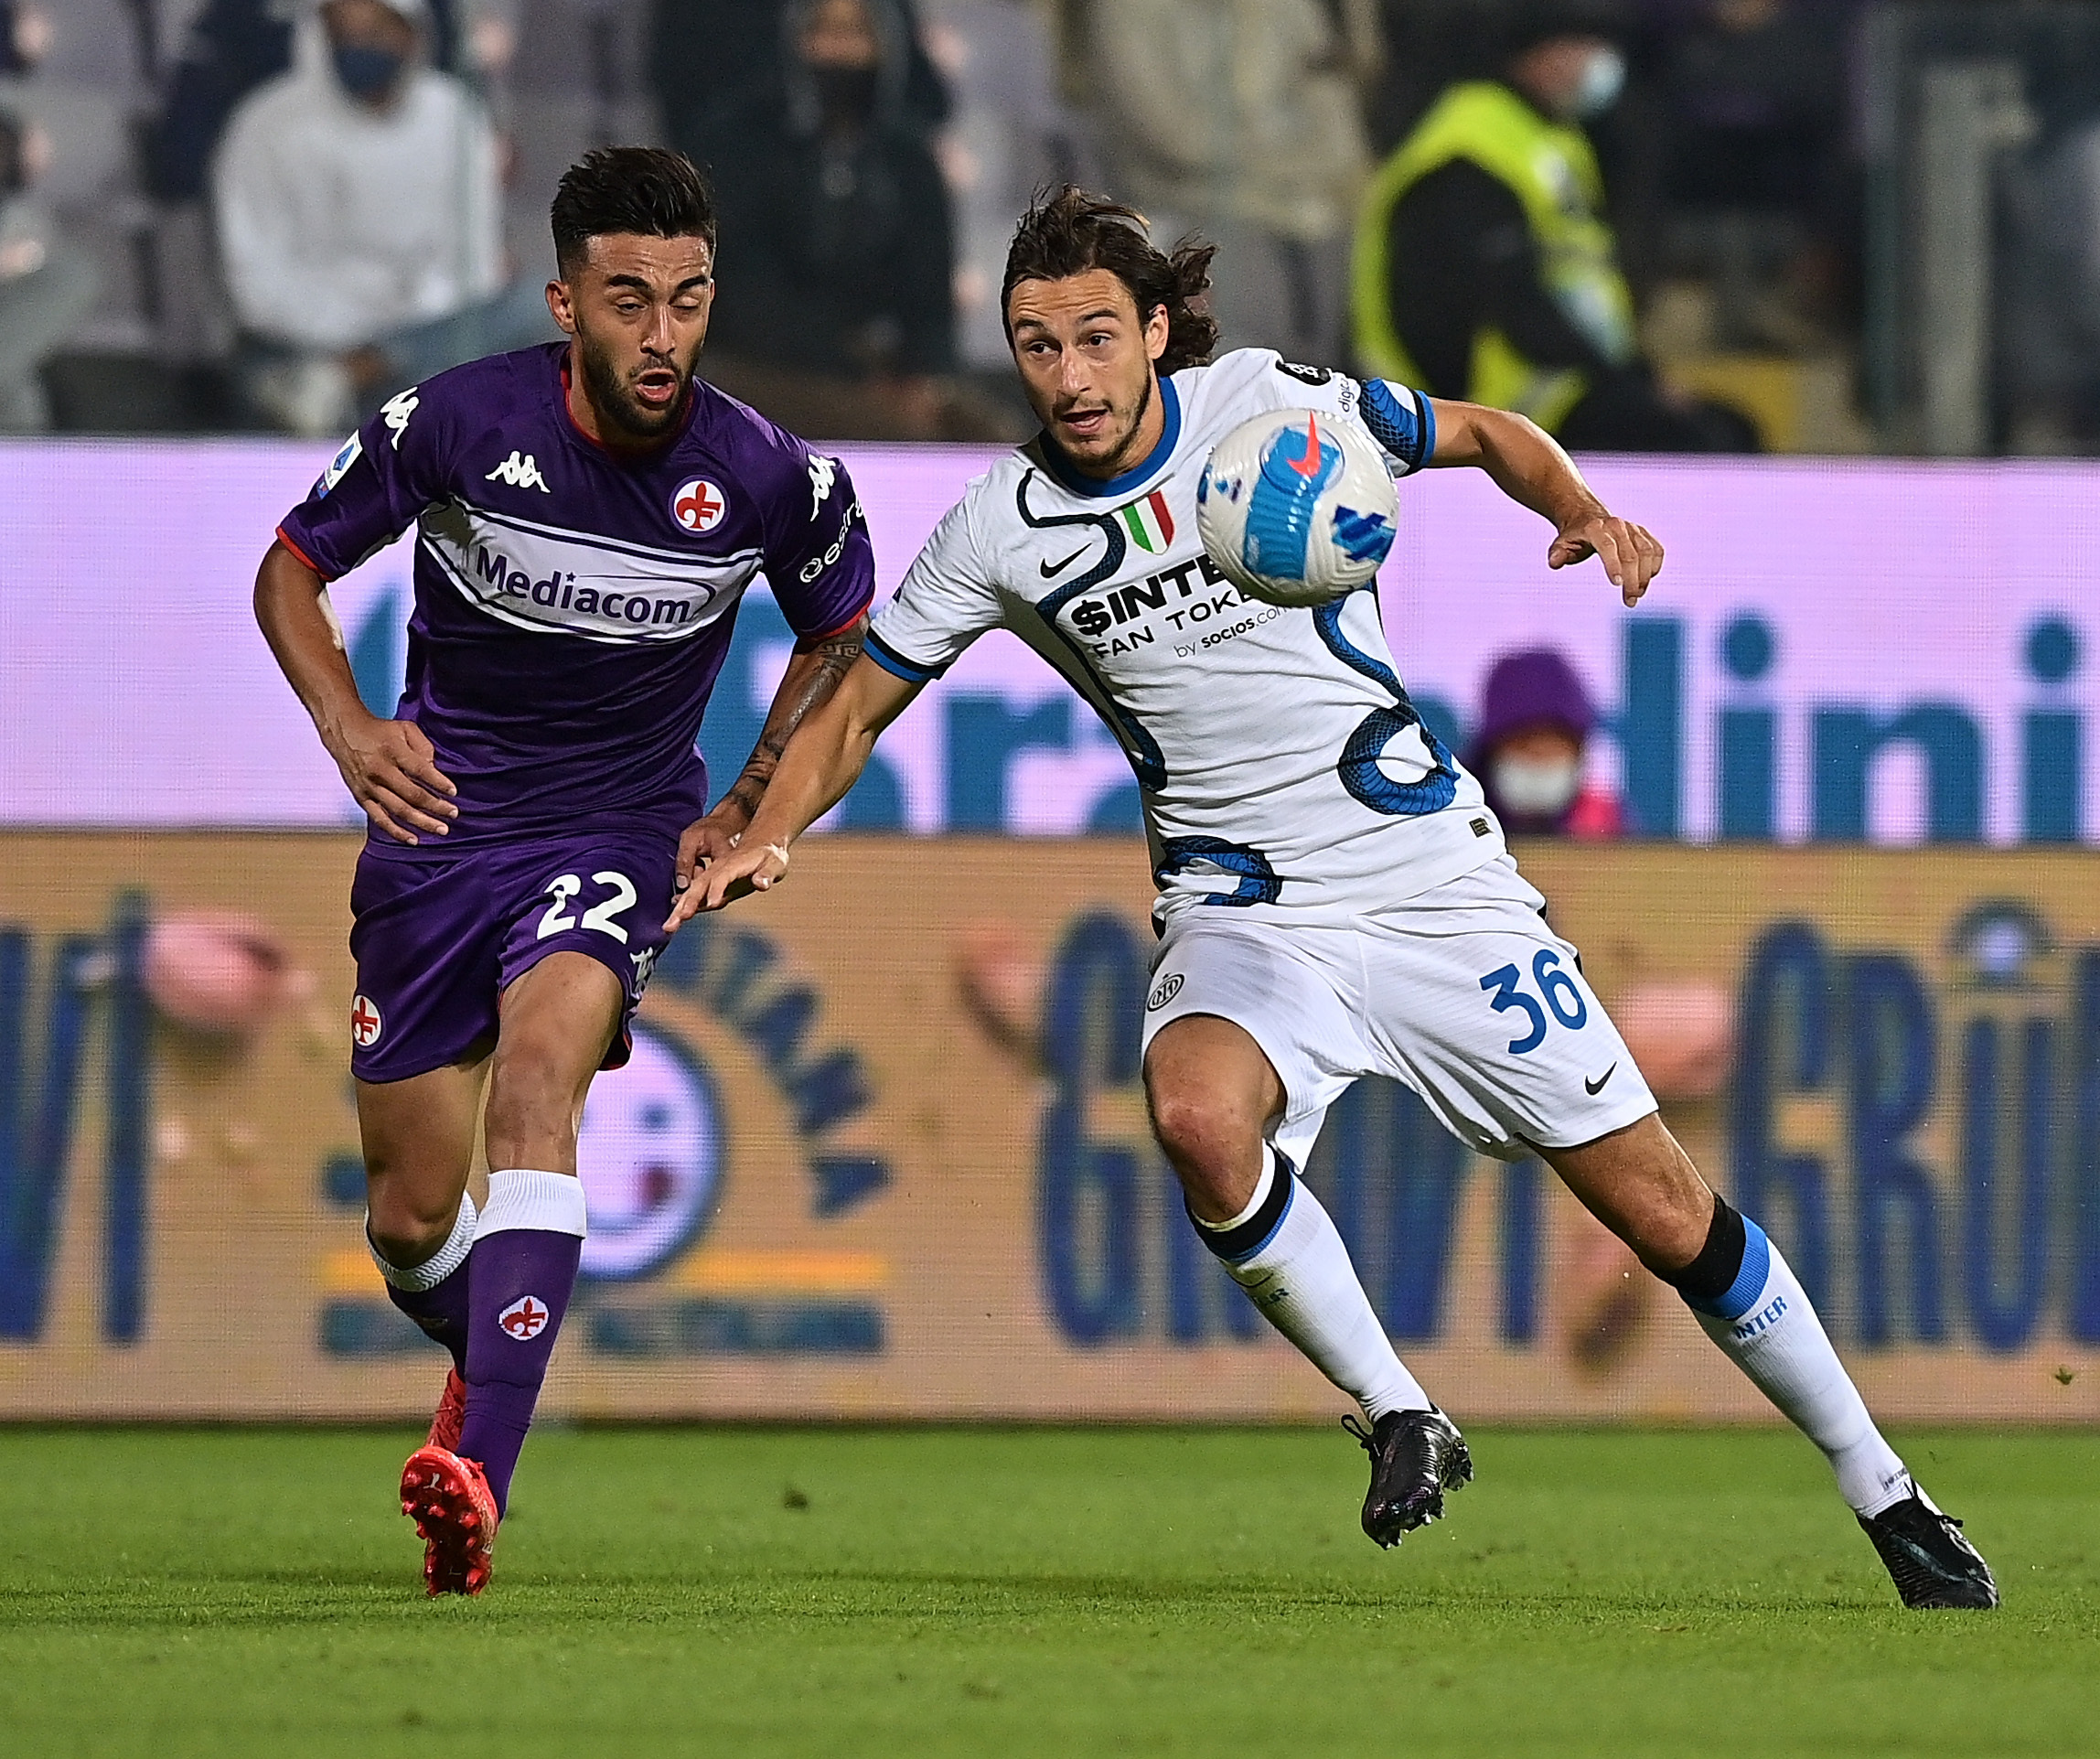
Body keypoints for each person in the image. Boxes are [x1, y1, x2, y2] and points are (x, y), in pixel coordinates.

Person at [680, 187, 1997, 1611]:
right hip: (1242, 909)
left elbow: (1484, 432)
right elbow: (856, 707)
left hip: (1429, 880)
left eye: (1095, 337)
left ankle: (1887, 1488)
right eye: (1037, 345)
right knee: (1197, 1114)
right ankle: (1397, 1409)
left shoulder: (1272, 405)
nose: (1067, 374)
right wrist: (771, 827)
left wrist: (1581, 509)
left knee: (1664, 1210)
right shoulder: (1000, 525)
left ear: (1158, 331)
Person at [252, 146, 875, 1595]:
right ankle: (488, 1363)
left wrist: (750, 796)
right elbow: (290, 565)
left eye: (689, 300)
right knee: (413, 1217)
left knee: (541, 1090)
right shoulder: (458, 423)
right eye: (629, 300)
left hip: (614, 834)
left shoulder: (768, 473)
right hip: (437, 834)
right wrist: (349, 728)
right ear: (565, 303)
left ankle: (477, 1473)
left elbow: (842, 629)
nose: (662, 334)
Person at [1353, 0, 1755, 452]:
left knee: (1729, 425)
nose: (1602, 60)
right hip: (1499, 402)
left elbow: (1582, 286)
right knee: (1704, 441)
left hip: (1564, 384)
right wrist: (1627, 381)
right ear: (1542, 51)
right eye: (1587, 42)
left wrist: (1637, 377)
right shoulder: (1473, 149)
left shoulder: (1556, 137)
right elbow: (1506, 301)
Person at [212, 0, 553, 435]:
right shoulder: (263, 125)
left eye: (375, 33)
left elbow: (474, 260)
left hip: (422, 337)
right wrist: (350, 332)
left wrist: (383, 349)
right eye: (344, 34)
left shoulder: (454, 114)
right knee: (265, 376)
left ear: (411, 35)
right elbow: (253, 281)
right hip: (300, 348)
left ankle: (352, 385)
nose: (358, 48)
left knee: (533, 307)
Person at [699, 0, 986, 440]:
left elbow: (930, 294)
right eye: (825, 32)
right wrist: (849, 366)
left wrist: (923, 373)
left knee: (991, 435)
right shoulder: (740, 144)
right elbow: (741, 290)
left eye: (856, 34)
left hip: (879, 365)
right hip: (760, 364)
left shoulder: (909, 160)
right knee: (900, 430)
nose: (839, 51)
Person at [1077, 0, 1381, 365]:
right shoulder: (1128, 12)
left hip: (1311, 203)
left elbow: (1334, 103)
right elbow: (1176, 139)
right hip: (1196, 206)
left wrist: (1316, 167)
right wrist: (1291, 165)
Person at [1469, 648, 1621, 837]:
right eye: (1523, 743)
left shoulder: (1608, 828)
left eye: (1554, 747)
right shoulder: (1453, 819)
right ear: (1491, 751)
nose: (1539, 763)